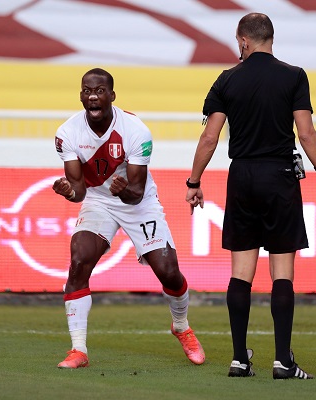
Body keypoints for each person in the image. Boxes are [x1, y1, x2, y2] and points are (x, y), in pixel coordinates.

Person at [185, 13, 316, 379]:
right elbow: (307, 134)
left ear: (243, 41)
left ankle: (240, 358)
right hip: (280, 176)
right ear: (271, 38)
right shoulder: (294, 76)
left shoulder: (226, 79)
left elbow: (209, 138)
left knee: (241, 273)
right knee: (282, 273)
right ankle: (283, 361)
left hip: (242, 177)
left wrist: (194, 182)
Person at [52, 68, 205, 369]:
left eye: (99, 90)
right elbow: (80, 191)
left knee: (169, 272)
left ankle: (181, 326)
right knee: (79, 259)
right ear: (81, 95)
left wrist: (123, 192)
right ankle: (78, 350)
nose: (92, 96)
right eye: (86, 90)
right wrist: (68, 192)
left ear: (111, 95)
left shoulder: (135, 131)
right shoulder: (67, 133)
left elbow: (135, 191)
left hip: (138, 203)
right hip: (99, 200)